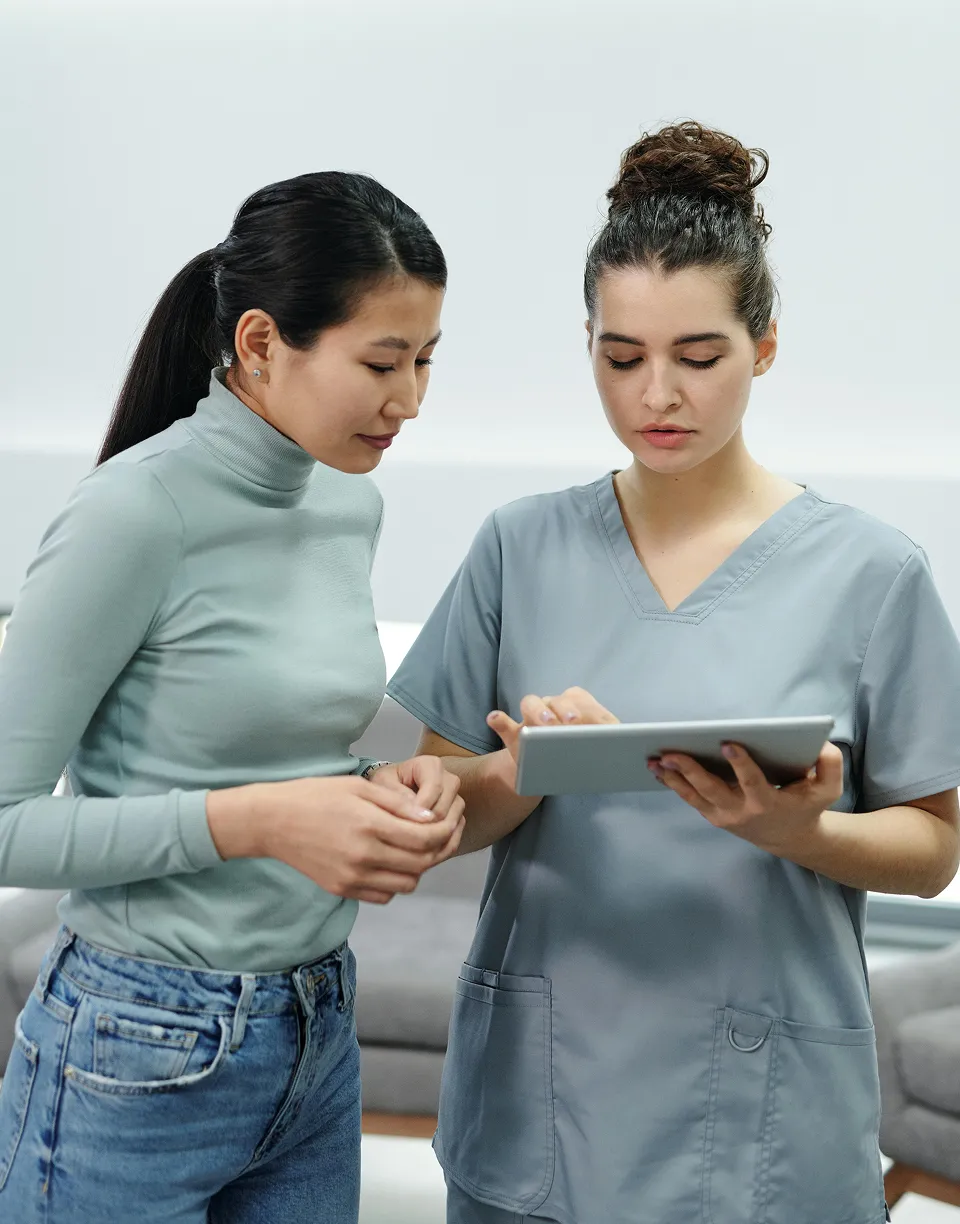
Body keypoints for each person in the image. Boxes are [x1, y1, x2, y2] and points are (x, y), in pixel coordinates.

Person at [386, 123, 960, 1224]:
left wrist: (802, 834)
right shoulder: (519, 548)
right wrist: (523, 773)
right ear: (589, 345)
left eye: (700, 357)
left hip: (761, 1115)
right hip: (542, 1101)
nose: (657, 394)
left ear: (766, 346)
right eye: (621, 357)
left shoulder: (874, 574)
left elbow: (933, 849)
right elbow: (442, 812)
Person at [0, 170, 465, 1223]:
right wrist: (261, 821)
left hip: (313, 1030)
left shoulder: (350, 504)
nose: (410, 400)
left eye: (427, 360)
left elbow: (269, 750)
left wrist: (383, 789)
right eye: (382, 362)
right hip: (135, 1042)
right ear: (260, 343)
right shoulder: (133, 514)